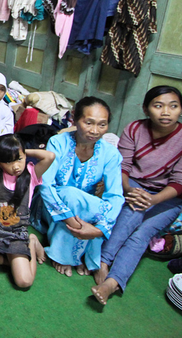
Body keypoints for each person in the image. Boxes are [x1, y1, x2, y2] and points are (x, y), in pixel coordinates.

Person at [92, 86, 182, 305]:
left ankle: (112, 283)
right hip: (132, 185)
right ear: (146, 108)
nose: (165, 112)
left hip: (167, 197)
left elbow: (181, 182)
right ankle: (103, 262)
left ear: (181, 110)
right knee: (132, 212)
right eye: (158, 106)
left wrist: (153, 199)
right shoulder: (134, 128)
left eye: (173, 106)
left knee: (141, 234)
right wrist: (129, 190)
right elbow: (122, 166)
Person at [37, 97, 124, 277]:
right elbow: (46, 185)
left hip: (83, 209)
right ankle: (65, 255)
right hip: (51, 206)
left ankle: (79, 249)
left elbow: (115, 195)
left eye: (102, 125)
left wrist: (98, 229)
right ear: (75, 120)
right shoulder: (58, 142)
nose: (94, 131)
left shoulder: (111, 154)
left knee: (106, 206)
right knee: (71, 194)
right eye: (89, 122)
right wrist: (71, 220)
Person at [0, 134, 55, 297]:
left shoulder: (31, 172)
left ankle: (32, 242)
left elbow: (49, 156)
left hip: (16, 234)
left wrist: (21, 150)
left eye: (19, 159)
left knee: (24, 281)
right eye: (9, 161)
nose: (16, 166)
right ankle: (7, 258)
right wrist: (1, 153)